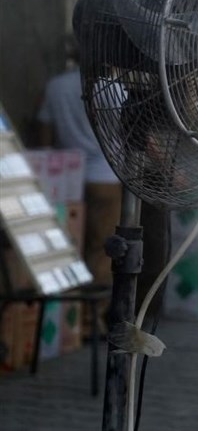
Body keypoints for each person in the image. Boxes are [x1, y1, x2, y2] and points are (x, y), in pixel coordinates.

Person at [37, 35, 123, 334]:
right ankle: (91, 321)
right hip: (105, 178)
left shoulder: (55, 86)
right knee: (102, 249)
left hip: (67, 180)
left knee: (71, 247)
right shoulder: (113, 89)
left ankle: (68, 320)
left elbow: (45, 135)